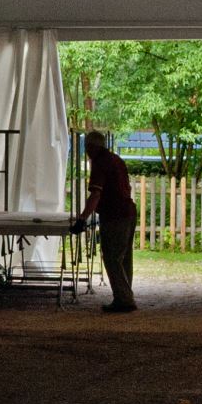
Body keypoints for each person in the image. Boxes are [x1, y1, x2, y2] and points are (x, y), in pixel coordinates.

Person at [74, 129, 137, 312]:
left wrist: (82, 218)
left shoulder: (100, 163)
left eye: (86, 147)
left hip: (114, 214)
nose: (86, 151)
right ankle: (125, 294)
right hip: (128, 211)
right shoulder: (116, 159)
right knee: (124, 258)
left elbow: (95, 194)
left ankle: (124, 299)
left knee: (112, 257)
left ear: (92, 147)